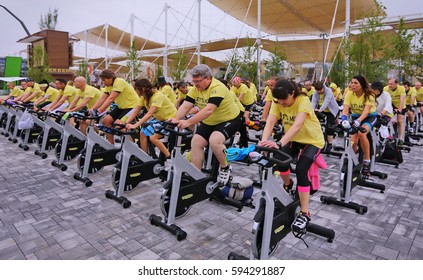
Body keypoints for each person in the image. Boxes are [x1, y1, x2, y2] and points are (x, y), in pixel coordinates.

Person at [259, 79, 324, 233]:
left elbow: (297, 125)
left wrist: (280, 143)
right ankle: (288, 185)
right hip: (294, 139)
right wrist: (263, 141)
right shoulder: (278, 101)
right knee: (280, 161)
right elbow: (271, 121)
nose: (282, 104)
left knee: (301, 169)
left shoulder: (303, 101)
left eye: (284, 100)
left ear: (292, 93)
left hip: (312, 140)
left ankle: (305, 213)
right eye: (278, 101)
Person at [170, 64, 241, 184]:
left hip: (229, 119)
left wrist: (187, 122)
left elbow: (209, 110)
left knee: (215, 141)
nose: (195, 84)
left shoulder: (218, 87)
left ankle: (225, 167)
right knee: (196, 143)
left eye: (198, 81)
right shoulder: (194, 90)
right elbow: (186, 106)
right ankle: (196, 176)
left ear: (208, 78)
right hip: (210, 121)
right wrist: (174, 119)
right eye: (193, 81)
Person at [125, 78, 176, 161]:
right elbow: (136, 111)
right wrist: (126, 123)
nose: (135, 91)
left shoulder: (157, 95)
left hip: (171, 120)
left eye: (136, 89)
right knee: (142, 132)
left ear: (142, 89)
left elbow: (149, 113)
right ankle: (144, 156)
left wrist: (135, 125)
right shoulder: (143, 97)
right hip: (161, 120)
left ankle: (169, 158)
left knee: (153, 138)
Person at [89, 69, 140, 144]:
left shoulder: (119, 81)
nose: (103, 82)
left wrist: (99, 111)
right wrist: (92, 110)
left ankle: (132, 149)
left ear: (110, 78)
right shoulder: (108, 86)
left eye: (104, 80)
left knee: (119, 126)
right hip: (122, 107)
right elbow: (102, 98)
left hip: (133, 106)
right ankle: (111, 146)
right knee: (105, 122)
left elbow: (111, 98)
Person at [341, 75, 377, 176]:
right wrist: (343, 118)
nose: (352, 85)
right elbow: (346, 109)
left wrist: (358, 121)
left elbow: (366, 112)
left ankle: (367, 160)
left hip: (369, 117)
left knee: (362, 133)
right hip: (355, 116)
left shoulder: (370, 95)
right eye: (351, 82)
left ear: (361, 85)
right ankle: (353, 158)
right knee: (353, 141)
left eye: (355, 83)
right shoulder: (349, 93)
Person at [311, 81, 339, 153]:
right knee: (317, 124)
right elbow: (313, 101)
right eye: (318, 91)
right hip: (321, 110)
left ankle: (329, 143)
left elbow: (326, 102)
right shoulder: (316, 92)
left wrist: (320, 109)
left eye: (320, 90)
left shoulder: (328, 91)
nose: (319, 92)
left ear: (323, 88)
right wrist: (312, 109)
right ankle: (320, 141)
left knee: (329, 127)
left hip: (331, 110)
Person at [384, 78, 406, 145]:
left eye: (391, 84)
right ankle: (388, 136)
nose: (389, 85)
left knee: (400, 121)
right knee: (387, 120)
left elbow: (402, 99)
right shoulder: (385, 89)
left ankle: (401, 138)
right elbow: (384, 100)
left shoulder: (401, 88)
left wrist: (399, 109)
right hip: (391, 105)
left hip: (400, 105)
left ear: (396, 84)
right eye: (389, 84)